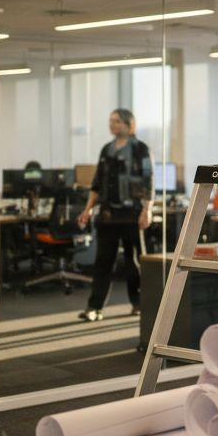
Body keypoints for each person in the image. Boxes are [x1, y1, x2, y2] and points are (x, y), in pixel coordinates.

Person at [75, 108, 152, 322]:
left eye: (116, 121)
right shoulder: (106, 150)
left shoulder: (140, 149)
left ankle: (138, 303)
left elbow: (148, 181)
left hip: (132, 214)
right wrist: (88, 209)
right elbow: (97, 184)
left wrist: (147, 210)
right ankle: (94, 308)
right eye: (110, 121)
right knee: (103, 262)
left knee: (133, 261)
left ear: (129, 124)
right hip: (108, 215)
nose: (112, 125)